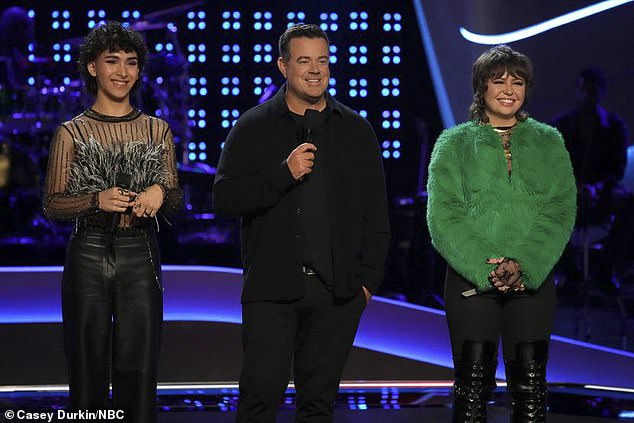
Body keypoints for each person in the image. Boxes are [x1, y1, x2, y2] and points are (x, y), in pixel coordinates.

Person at [213, 24, 390, 422]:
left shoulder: (356, 130)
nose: (315, 70)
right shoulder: (253, 126)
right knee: (259, 401)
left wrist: (365, 285)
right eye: (304, 60)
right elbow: (224, 198)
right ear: (283, 66)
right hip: (272, 292)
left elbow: (377, 216)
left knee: (318, 406)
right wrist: (283, 174)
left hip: (337, 294)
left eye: (322, 60)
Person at [426, 45, 576, 422]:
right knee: (473, 390)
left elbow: (559, 210)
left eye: (518, 82)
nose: (509, 89)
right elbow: (443, 216)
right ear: (482, 88)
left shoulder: (550, 141)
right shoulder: (453, 144)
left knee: (530, 393)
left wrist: (522, 265)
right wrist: (487, 267)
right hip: (470, 283)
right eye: (499, 81)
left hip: (533, 281)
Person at [42, 21, 181, 422]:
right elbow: (52, 205)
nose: (122, 72)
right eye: (112, 61)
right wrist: (95, 199)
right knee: (86, 371)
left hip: (140, 253)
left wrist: (160, 193)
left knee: (138, 370)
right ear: (92, 68)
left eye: (131, 63)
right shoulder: (72, 133)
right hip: (87, 253)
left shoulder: (158, 130)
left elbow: (174, 201)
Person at [552, 67, 631, 286]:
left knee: (628, 204)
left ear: (600, 94)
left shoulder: (614, 127)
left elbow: (617, 167)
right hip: (571, 191)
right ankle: (567, 271)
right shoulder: (561, 126)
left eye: (592, 92)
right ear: (578, 92)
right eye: (584, 91)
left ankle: (607, 271)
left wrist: (596, 187)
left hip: (602, 191)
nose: (588, 96)